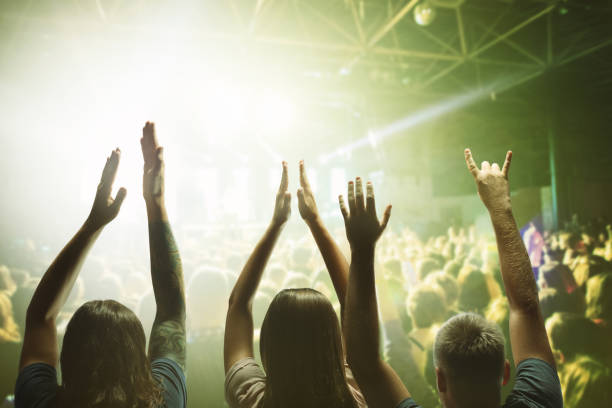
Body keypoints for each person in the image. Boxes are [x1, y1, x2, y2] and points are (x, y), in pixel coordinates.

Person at [342, 150, 563, 408]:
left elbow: (364, 364)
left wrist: (362, 250)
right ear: (504, 373)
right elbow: (525, 307)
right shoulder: (539, 402)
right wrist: (501, 209)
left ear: (440, 379)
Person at [14, 122, 186, 407]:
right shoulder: (164, 401)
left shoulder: (40, 402)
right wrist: (156, 203)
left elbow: (39, 318)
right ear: (139, 359)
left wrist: (93, 224)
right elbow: (171, 314)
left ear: (67, 357)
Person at [224, 161, 365, 408]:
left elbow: (238, 306)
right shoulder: (359, 392)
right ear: (334, 342)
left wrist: (276, 224)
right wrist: (315, 222)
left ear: (268, 343)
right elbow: (354, 305)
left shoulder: (251, 398)